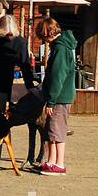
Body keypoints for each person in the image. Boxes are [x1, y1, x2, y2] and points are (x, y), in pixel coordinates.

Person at [35, 17, 76, 176]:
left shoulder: (60, 49)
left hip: (59, 97)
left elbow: (58, 76)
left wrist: (51, 101)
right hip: (58, 96)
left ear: (46, 33)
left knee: (57, 130)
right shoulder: (61, 46)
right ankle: (51, 161)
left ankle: (59, 164)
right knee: (51, 130)